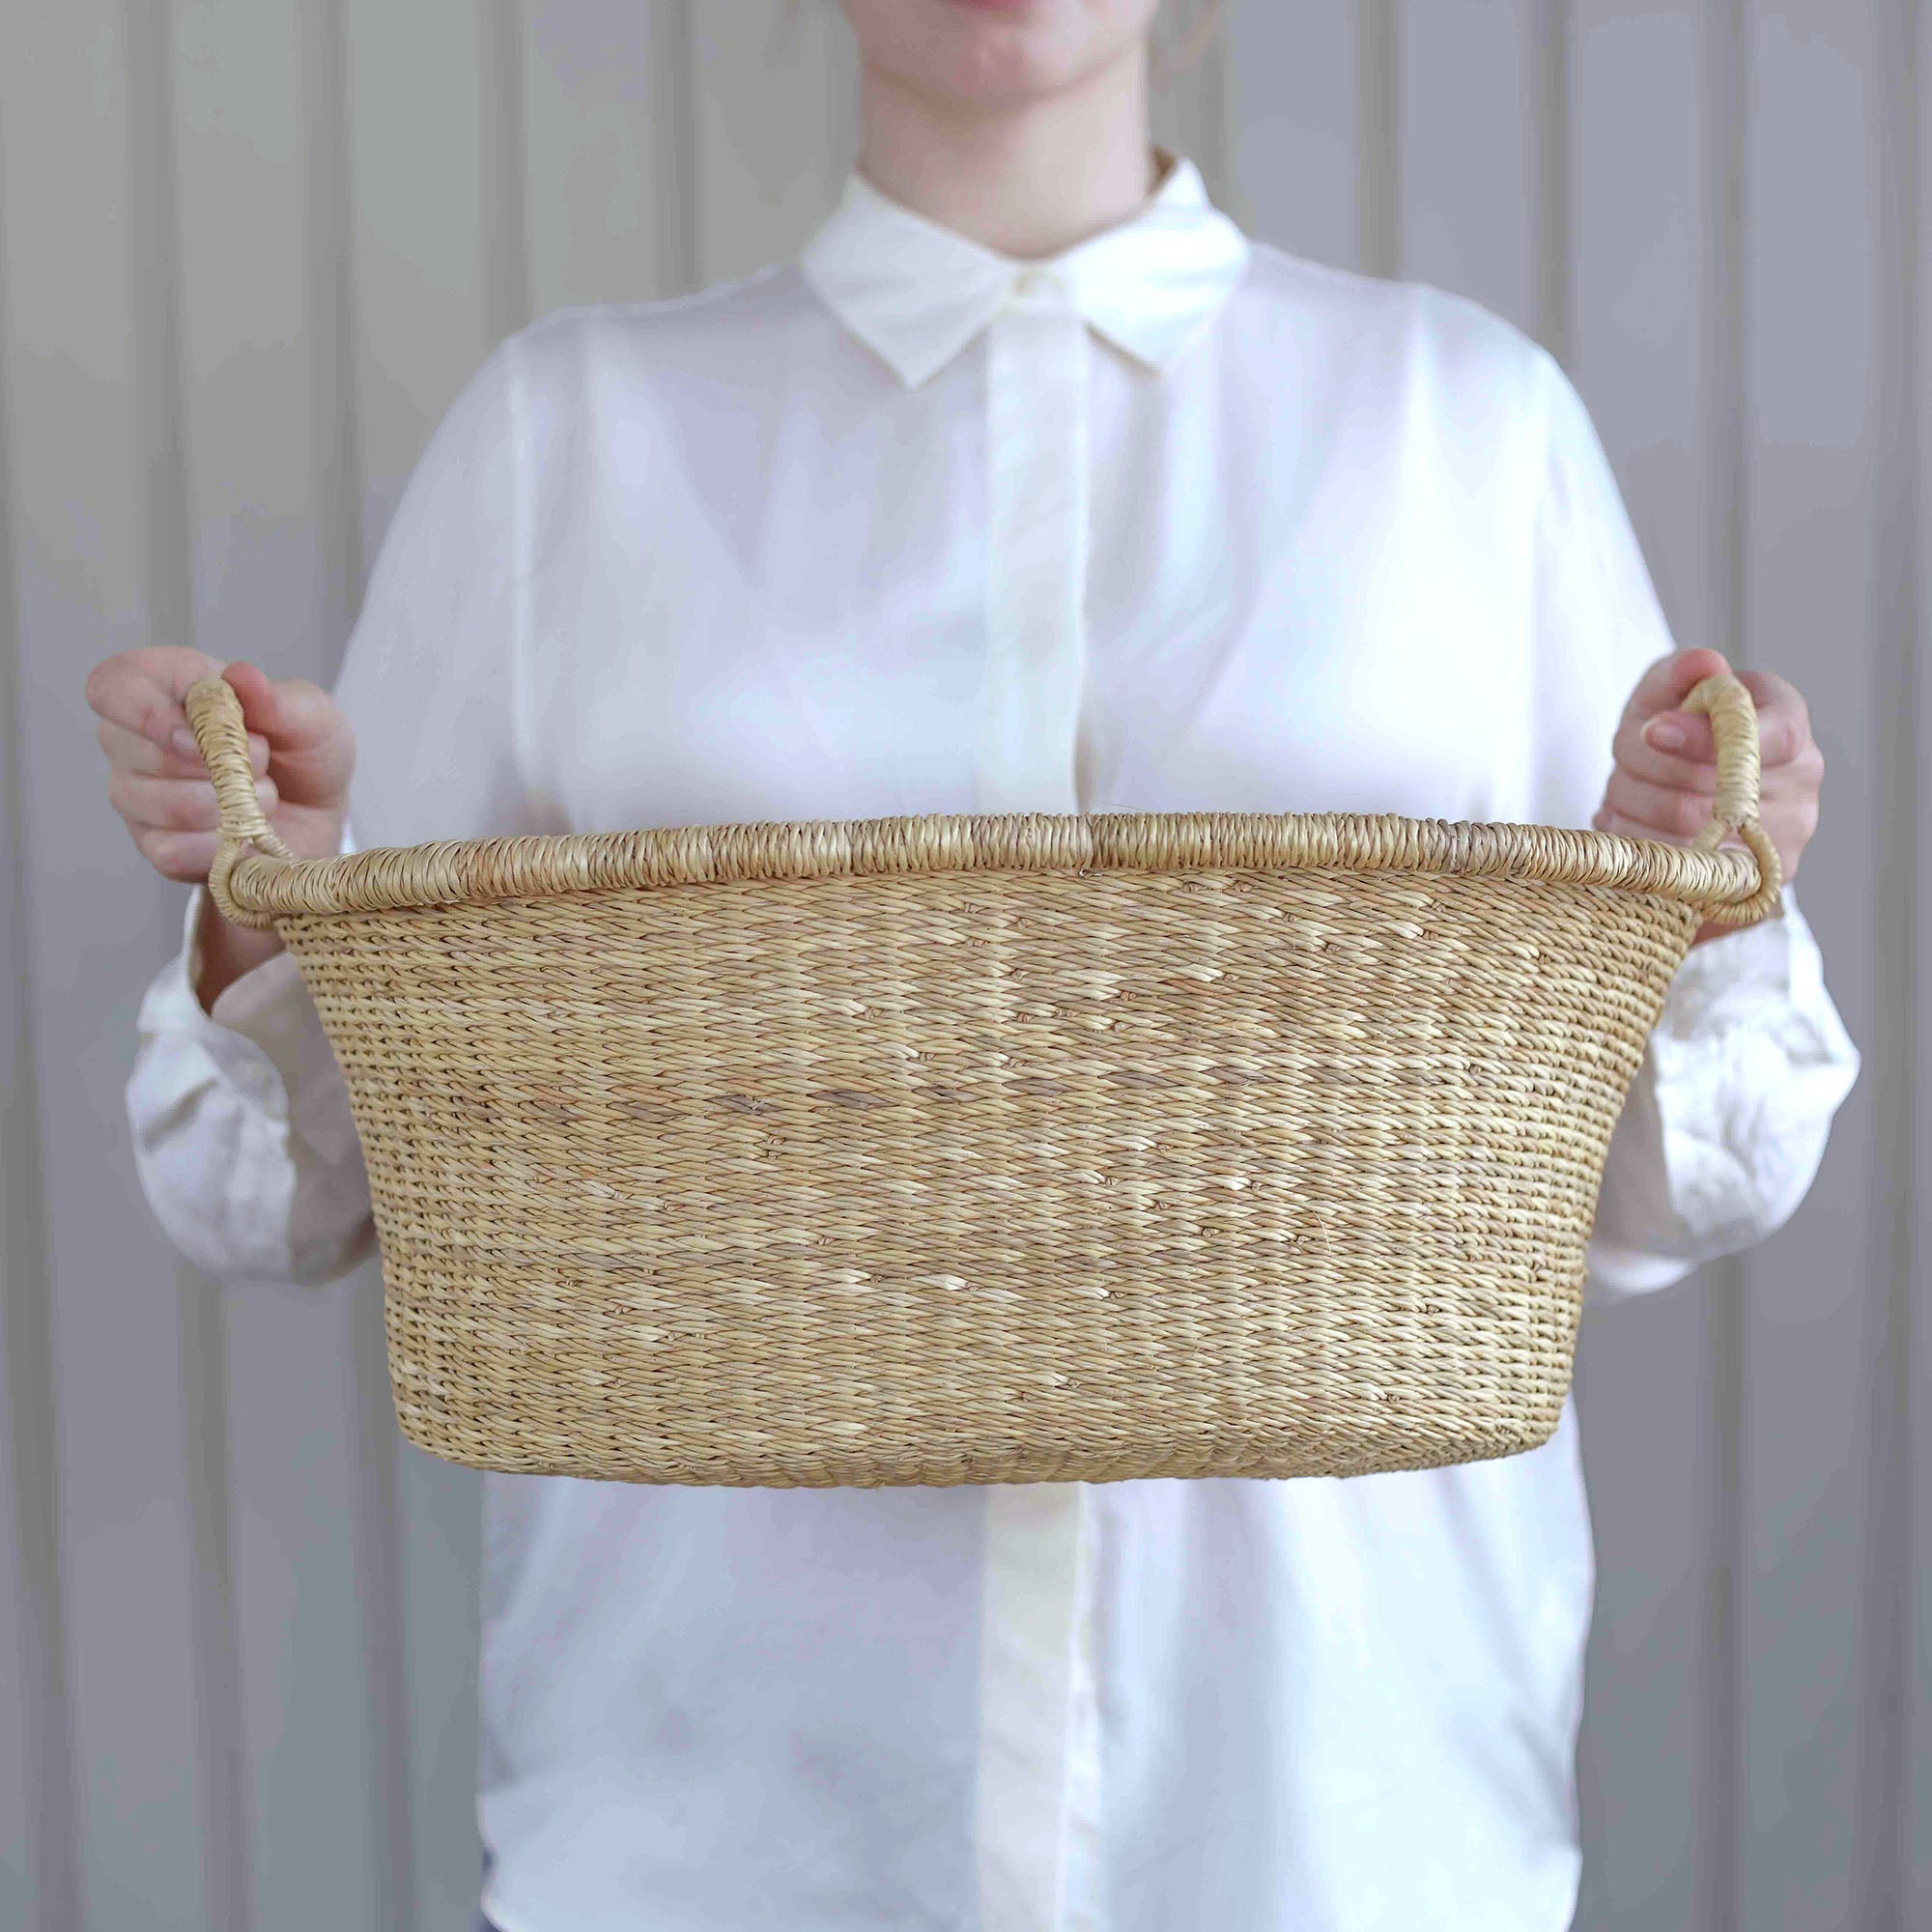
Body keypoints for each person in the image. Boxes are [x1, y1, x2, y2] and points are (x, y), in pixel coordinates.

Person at [88, 2, 1861, 1926]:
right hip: (720, 1829)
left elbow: (1670, 1175)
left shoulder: (1465, 422)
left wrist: (1687, 903)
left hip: (1341, 1819)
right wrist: (282, 889)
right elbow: (280, 1195)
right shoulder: (568, 440)